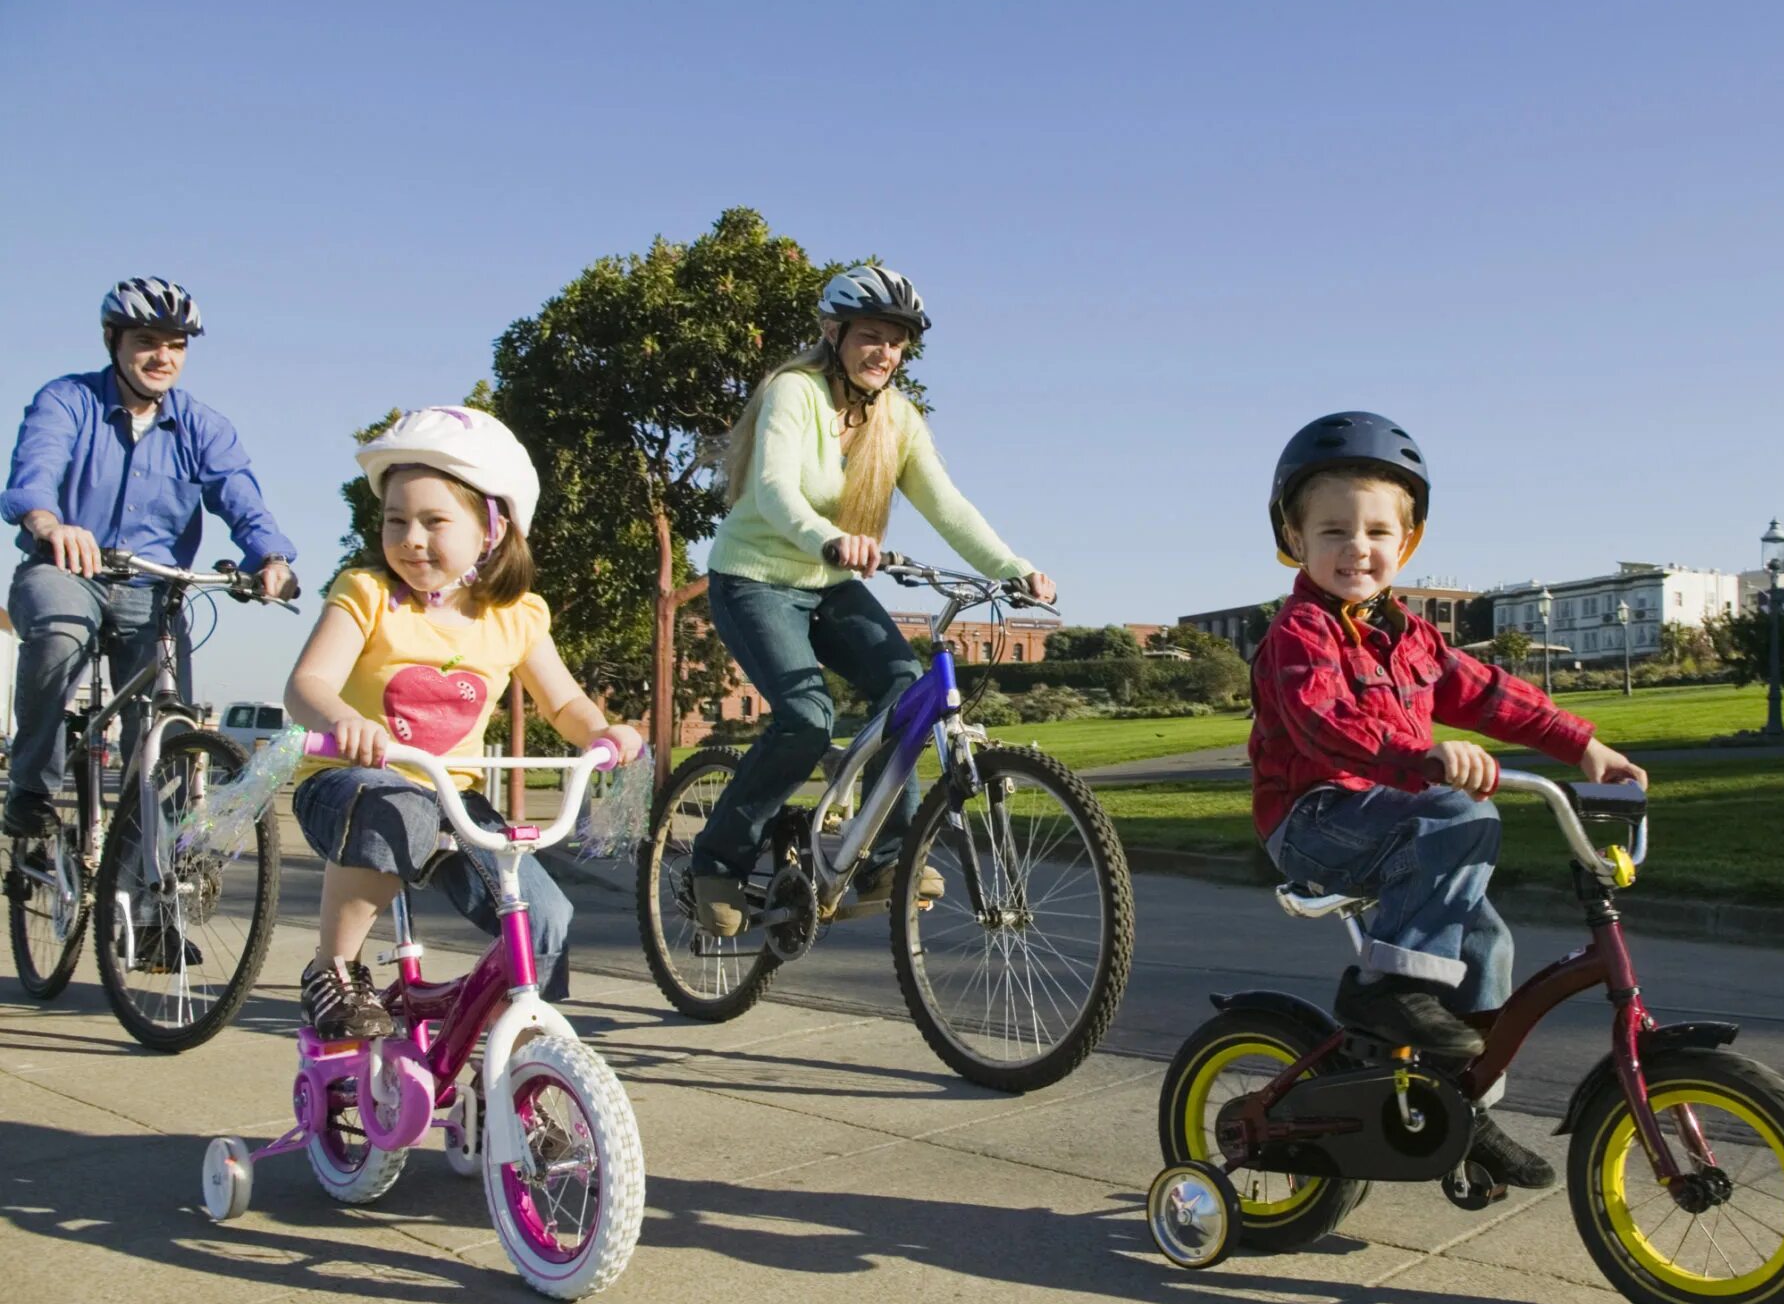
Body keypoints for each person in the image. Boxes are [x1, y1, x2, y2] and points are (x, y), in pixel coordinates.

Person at [1250, 411, 1647, 1191]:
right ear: (1294, 540)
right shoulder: (1301, 632)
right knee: (1464, 813)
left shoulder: (1415, 639)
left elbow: (1496, 695)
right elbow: (1328, 720)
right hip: (1316, 819)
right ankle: (1386, 990)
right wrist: (1420, 756)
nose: (1355, 548)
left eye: (1376, 531)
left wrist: (1583, 746)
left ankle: (1461, 1111)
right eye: (1332, 530)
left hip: (1396, 821)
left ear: (1408, 544)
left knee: (1487, 945)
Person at [687, 265, 1055, 935]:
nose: (885, 352)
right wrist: (829, 538)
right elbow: (772, 490)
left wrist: (1014, 567)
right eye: (872, 337)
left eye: (897, 342)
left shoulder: (898, 419)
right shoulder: (793, 393)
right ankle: (716, 860)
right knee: (805, 714)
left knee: (904, 686)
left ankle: (886, 860)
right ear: (835, 333)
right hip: (755, 578)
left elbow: (946, 504)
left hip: (828, 584)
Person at [283, 407, 644, 1040]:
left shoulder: (517, 616)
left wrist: (602, 734)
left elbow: (563, 704)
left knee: (545, 916)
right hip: (347, 783)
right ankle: (333, 970)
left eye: (434, 521)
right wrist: (344, 720)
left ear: (491, 530)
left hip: (454, 797)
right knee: (399, 809)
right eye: (396, 520)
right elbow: (306, 685)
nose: (411, 538)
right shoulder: (367, 593)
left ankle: (524, 1055)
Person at [1, 278, 298, 840]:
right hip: (68, 569)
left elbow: (240, 496)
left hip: (154, 588)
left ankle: (153, 899)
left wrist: (271, 558)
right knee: (59, 638)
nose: (162, 356)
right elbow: (34, 471)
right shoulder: (67, 400)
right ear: (113, 340)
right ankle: (31, 788)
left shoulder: (202, 426)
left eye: (177, 345)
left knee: (163, 727)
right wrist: (48, 522)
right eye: (146, 340)